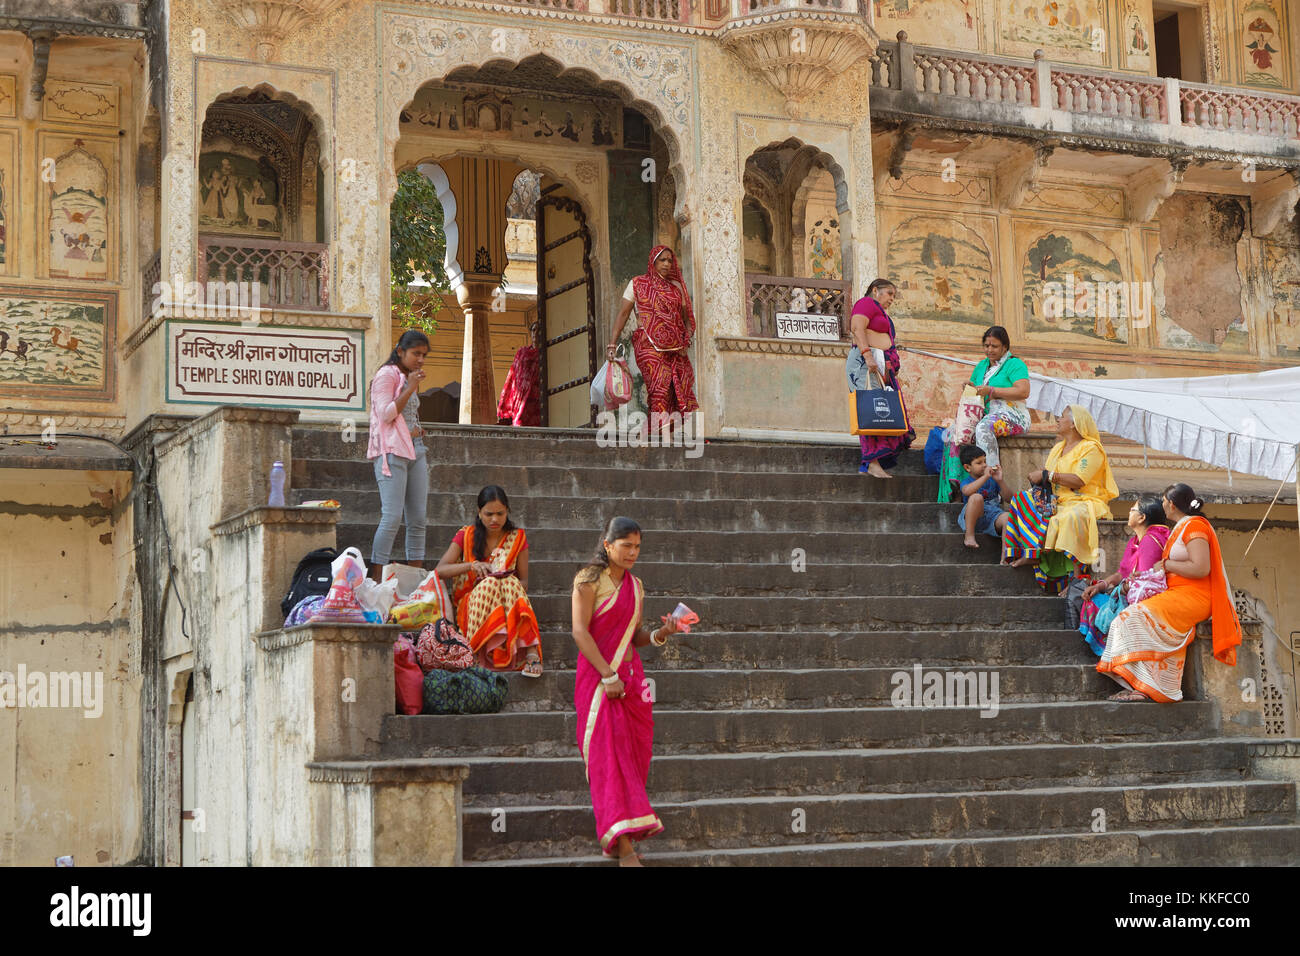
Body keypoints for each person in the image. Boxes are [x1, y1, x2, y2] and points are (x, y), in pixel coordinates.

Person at [571, 516, 683, 866]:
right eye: (626, 545)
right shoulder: (588, 580)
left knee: (633, 756)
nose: (633, 552)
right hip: (598, 682)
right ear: (608, 545)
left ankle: (624, 831)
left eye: (637, 546)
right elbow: (579, 632)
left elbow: (633, 637)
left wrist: (662, 632)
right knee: (608, 759)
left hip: (631, 681)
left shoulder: (636, 585)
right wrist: (607, 675)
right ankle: (624, 848)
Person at [1097, 484, 1242, 702]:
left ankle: (1145, 687)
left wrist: (1167, 565)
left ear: (1171, 504)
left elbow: (1201, 568)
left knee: (1130, 619)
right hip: (1177, 593)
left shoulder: (1195, 527)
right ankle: (1149, 686)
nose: (1162, 506)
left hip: (1194, 597)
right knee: (1132, 619)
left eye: (1164, 501)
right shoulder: (1181, 528)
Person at [1002, 404, 1118, 592]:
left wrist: (1046, 475)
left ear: (1074, 423)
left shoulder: (1091, 448)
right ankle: (1032, 553)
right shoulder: (1058, 448)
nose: (1057, 420)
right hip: (1058, 500)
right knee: (1020, 500)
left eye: (1062, 417)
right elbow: (1047, 479)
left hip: (1085, 501)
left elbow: (1079, 480)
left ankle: (1076, 579)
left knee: (1068, 518)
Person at [434, 485, 542, 676]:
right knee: (490, 583)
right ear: (479, 512)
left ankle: (531, 651)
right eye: (488, 514)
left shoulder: (517, 537)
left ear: (507, 511)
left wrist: (504, 581)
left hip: (507, 599)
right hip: (471, 603)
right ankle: (477, 650)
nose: (494, 519)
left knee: (509, 582)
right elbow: (440, 571)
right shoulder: (465, 535)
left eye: (500, 514)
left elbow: (524, 582)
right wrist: (471, 566)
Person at [608, 245, 698, 433]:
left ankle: (655, 435)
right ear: (653, 262)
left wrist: (686, 340)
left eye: (669, 260)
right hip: (648, 344)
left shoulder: (675, 290)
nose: (666, 264)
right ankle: (660, 437)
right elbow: (623, 314)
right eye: (662, 260)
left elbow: (685, 320)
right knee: (659, 385)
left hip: (674, 348)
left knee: (672, 391)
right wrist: (612, 343)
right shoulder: (637, 284)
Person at [939, 327, 1030, 502]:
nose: (989, 350)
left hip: (1013, 414)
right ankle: (958, 488)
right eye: (986, 345)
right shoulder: (981, 366)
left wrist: (992, 390)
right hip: (985, 413)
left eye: (994, 346)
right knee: (952, 434)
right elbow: (977, 393)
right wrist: (971, 387)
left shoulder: (1014, 364)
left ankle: (992, 489)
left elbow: (1023, 391)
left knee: (983, 428)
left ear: (1004, 347)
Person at [366, 330, 429, 582]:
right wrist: (411, 386)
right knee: (391, 517)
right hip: (391, 452)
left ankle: (413, 579)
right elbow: (385, 414)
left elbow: (404, 417)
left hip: (416, 449)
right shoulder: (386, 375)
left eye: (424, 355)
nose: (420, 359)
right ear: (400, 351)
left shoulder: (407, 376)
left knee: (418, 519)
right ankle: (376, 578)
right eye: (415, 353)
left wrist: (415, 430)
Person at [1079, 497, 1170, 655]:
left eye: (1133, 510)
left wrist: (1119, 590)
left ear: (1142, 518)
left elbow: (1144, 583)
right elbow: (1122, 573)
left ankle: (1107, 651)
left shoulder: (1150, 541)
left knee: (1092, 603)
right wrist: (1100, 585)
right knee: (1092, 594)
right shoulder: (1136, 541)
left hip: (1145, 606)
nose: (1129, 512)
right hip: (1131, 596)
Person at [847, 278, 914, 478]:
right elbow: (857, 328)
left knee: (880, 409)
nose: (892, 299)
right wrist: (867, 355)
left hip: (878, 363)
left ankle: (870, 463)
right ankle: (871, 463)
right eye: (890, 293)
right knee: (870, 408)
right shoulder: (866, 303)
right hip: (865, 362)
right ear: (876, 290)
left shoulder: (879, 309)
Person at [955, 444, 1012, 550]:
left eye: (985, 461)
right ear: (967, 467)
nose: (985, 465)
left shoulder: (993, 480)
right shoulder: (967, 482)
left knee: (1008, 517)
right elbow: (967, 491)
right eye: (979, 463)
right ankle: (969, 536)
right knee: (976, 497)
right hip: (975, 519)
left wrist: (1000, 481)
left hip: (993, 518)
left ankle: (1005, 557)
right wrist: (985, 477)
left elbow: (1010, 499)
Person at [497, 320, 542, 427]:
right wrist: (506, 402)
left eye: (539, 330)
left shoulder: (547, 353)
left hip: (536, 400)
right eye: (533, 330)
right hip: (520, 398)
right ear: (530, 333)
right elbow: (512, 376)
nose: (536, 333)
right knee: (519, 422)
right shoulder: (522, 352)